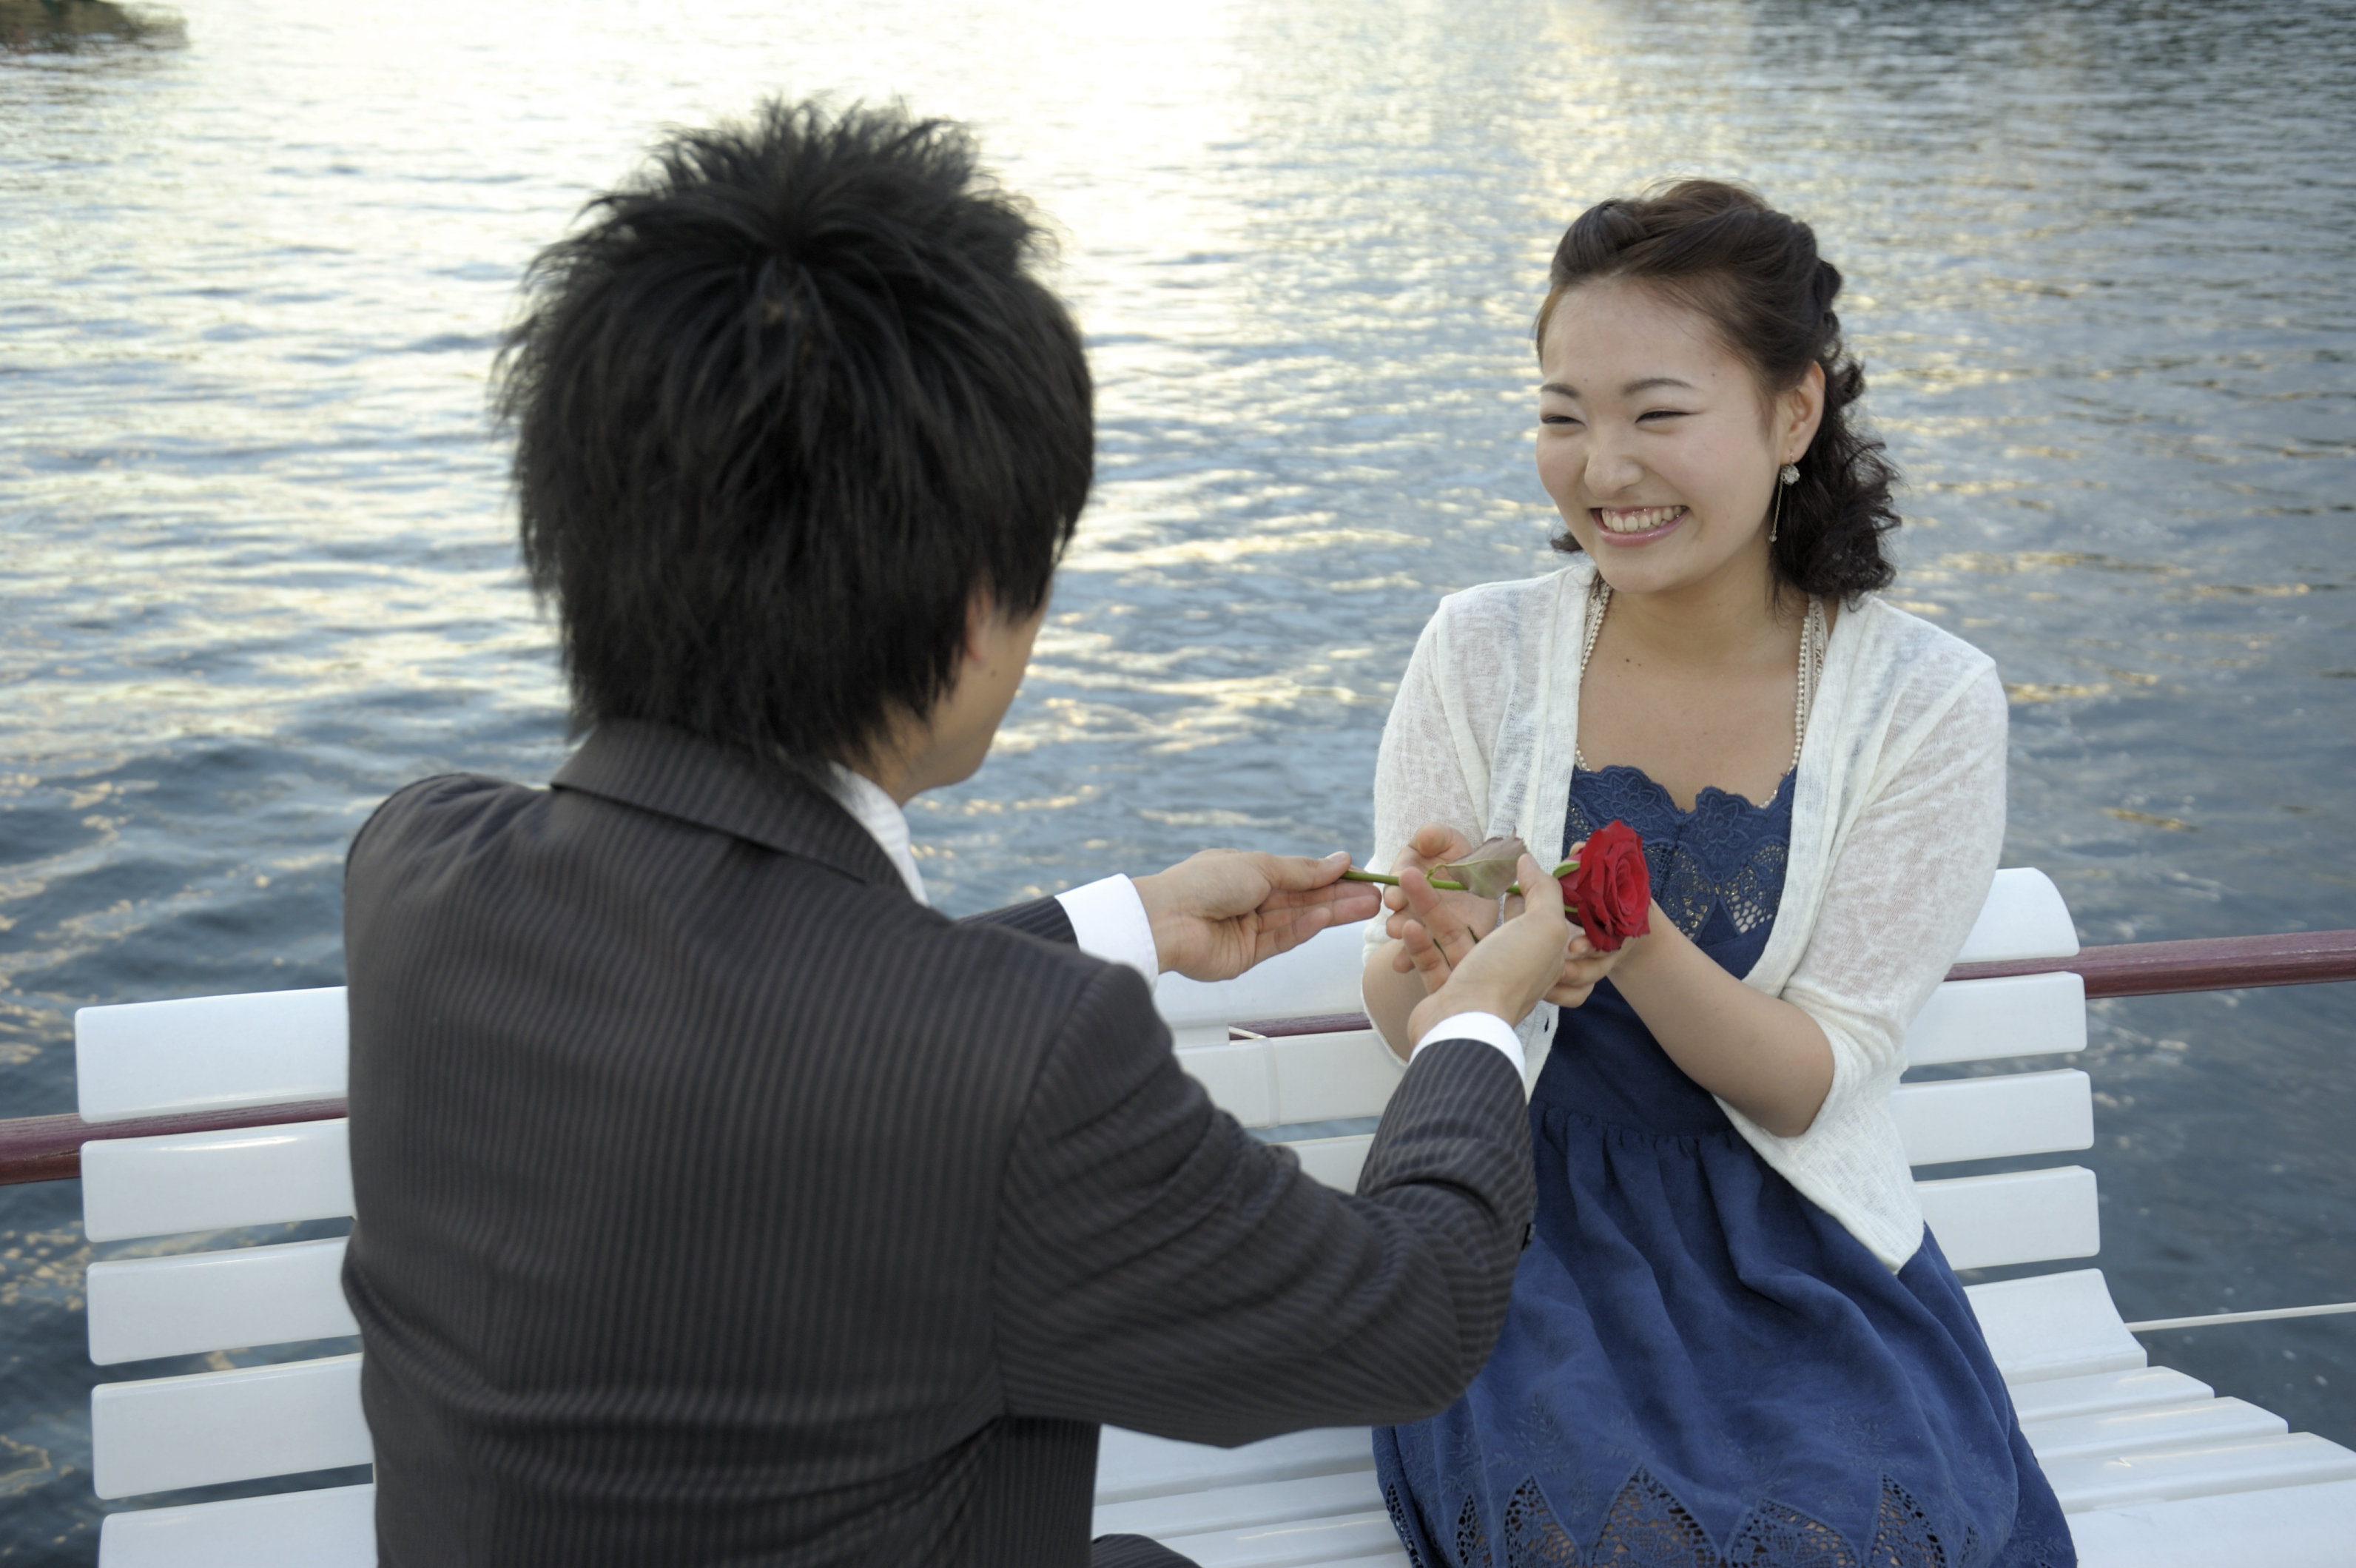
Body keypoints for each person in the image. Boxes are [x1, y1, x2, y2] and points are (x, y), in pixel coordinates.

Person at [337, 100, 1577, 1568]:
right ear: (976, 610)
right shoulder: (1025, 1075)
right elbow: (1408, 1315)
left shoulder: (416, 871)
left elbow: (762, 1014)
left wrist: (1110, 924)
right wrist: (1479, 1016)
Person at [1356, 182, 2076, 1567]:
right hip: (1516, 1223)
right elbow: (1416, 1027)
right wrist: (1438, 963)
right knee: (1606, 1538)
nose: (1603, 467)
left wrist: (1623, 939)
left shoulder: (1923, 698)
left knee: (1867, 1537)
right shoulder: (1482, 650)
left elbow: (1814, 1075)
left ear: (1793, 413)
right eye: (1563, 415)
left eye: (1657, 413)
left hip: (1799, 1244)